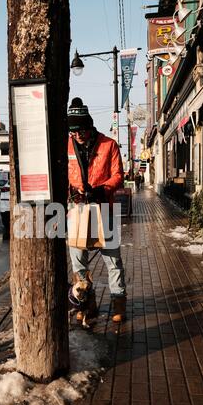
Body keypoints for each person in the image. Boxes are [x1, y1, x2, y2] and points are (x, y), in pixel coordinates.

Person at [67, 97, 126, 322]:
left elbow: (118, 175)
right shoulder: (67, 145)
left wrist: (103, 190)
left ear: (90, 125)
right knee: (78, 261)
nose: (78, 134)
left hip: (104, 210)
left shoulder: (108, 145)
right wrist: (72, 193)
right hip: (77, 211)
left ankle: (119, 303)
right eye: (73, 131)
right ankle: (86, 304)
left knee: (113, 260)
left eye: (81, 129)